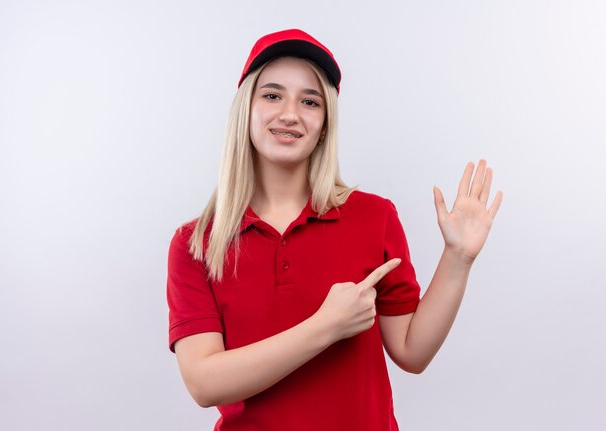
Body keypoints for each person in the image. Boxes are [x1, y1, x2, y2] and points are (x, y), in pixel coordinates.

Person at [166, 29, 503, 431]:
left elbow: (412, 352)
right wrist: (326, 326)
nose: (290, 113)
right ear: (246, 110)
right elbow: (204, 383)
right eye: (272, 95)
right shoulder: (196, 243)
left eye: (310, 101)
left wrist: (458, 259)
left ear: (325, 124)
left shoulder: (373, 216)